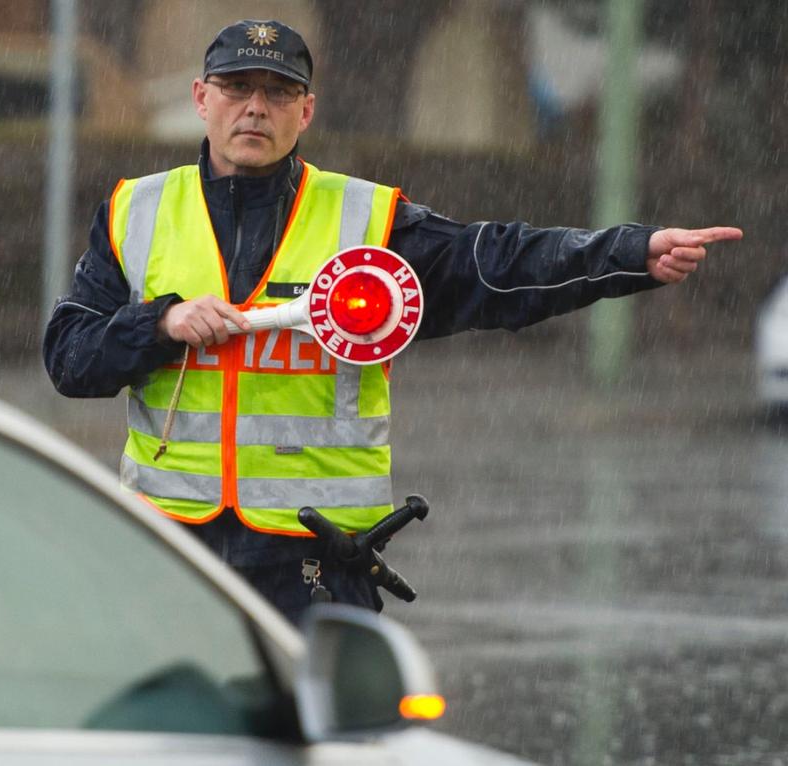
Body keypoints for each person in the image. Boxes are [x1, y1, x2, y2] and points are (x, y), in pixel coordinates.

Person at [42, 19, 742, 625]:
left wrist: (630, 253)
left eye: (279, 92)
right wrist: (160, 327)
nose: (256, 108)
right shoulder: (138, 210)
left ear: (307, 110)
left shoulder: (367, 220)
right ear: (201, 99)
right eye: (236, 88)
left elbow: (494, 265)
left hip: (314, 564)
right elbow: (69, 360)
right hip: (170, 551)